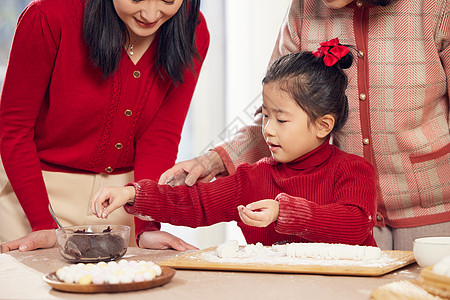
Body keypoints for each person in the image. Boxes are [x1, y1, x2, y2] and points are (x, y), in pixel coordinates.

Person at [159, 0, 450, 251]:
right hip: (341, 214)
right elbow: (277, 110)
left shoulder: (434, 7)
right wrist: (212, 160)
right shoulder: (304, 9)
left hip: (437, 210)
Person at [90, 44, 378, 247]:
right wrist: (132, 194)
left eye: (281, 120)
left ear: (323, 125)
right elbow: (194, 203)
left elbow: (353, 224)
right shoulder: (252, 178)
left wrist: (283, 213)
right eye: (266, 115)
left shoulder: (353, 170)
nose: (268, 129)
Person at [0, 0, 209, 253]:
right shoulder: (48, 16)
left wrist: (147, 225)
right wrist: (42, 223)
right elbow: (14, 129)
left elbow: (159, 138)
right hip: (33, 193)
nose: (151, 14)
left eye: (167, 0)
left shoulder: (192, 29)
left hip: (121, 203)